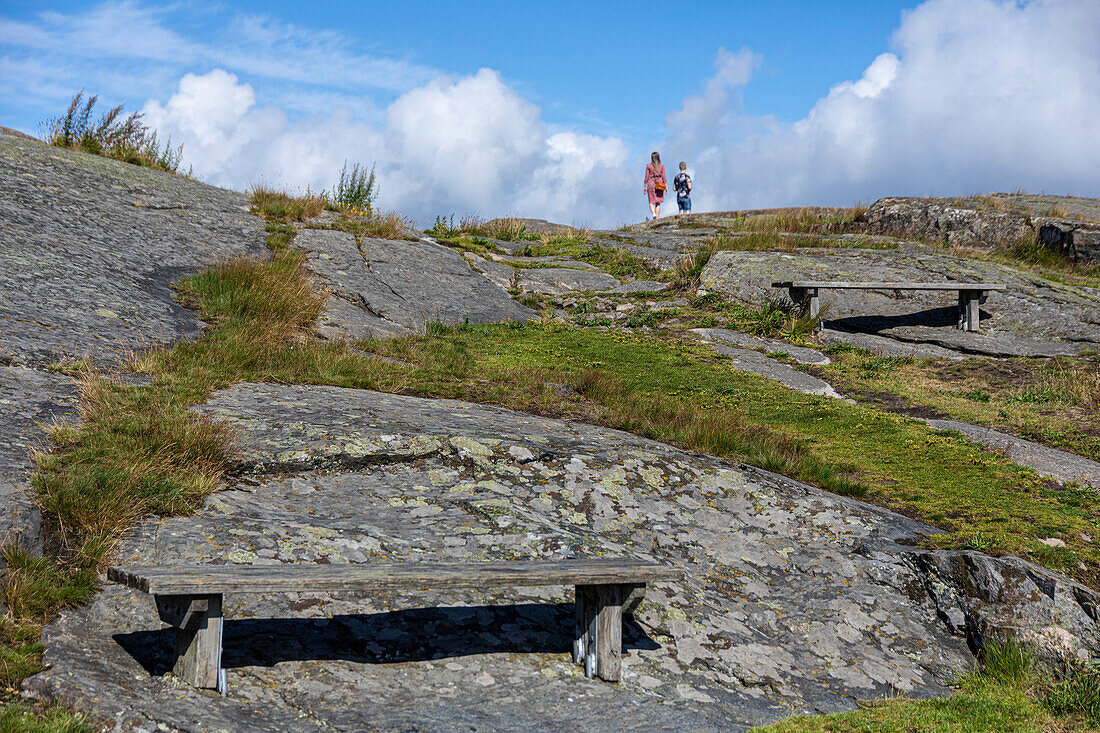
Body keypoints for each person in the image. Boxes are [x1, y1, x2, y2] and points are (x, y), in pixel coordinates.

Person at [643, 151, 666, 219]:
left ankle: (653, 214)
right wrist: (666, 186)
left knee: (651, 201)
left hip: (651, 184)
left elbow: (646, 177)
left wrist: (644, 186)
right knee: (658, 202)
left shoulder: (649, 165)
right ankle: (657, 217)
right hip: (659, 184)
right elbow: (664, 176)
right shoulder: (662, 165)